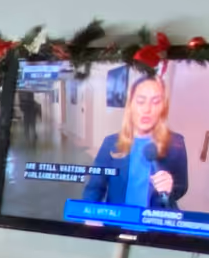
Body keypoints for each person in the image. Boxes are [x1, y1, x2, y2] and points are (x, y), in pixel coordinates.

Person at [80, 75, 190, 208]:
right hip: (118, 223)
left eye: (155, 102)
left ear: (163, 107)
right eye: (140, 101)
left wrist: (171, 187)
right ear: (130, 105)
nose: (147, 109)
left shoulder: (175, 143)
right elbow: (94, 188)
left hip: (154, 224)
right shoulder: (111, 143)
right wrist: (90, 215)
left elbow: (182, 187)